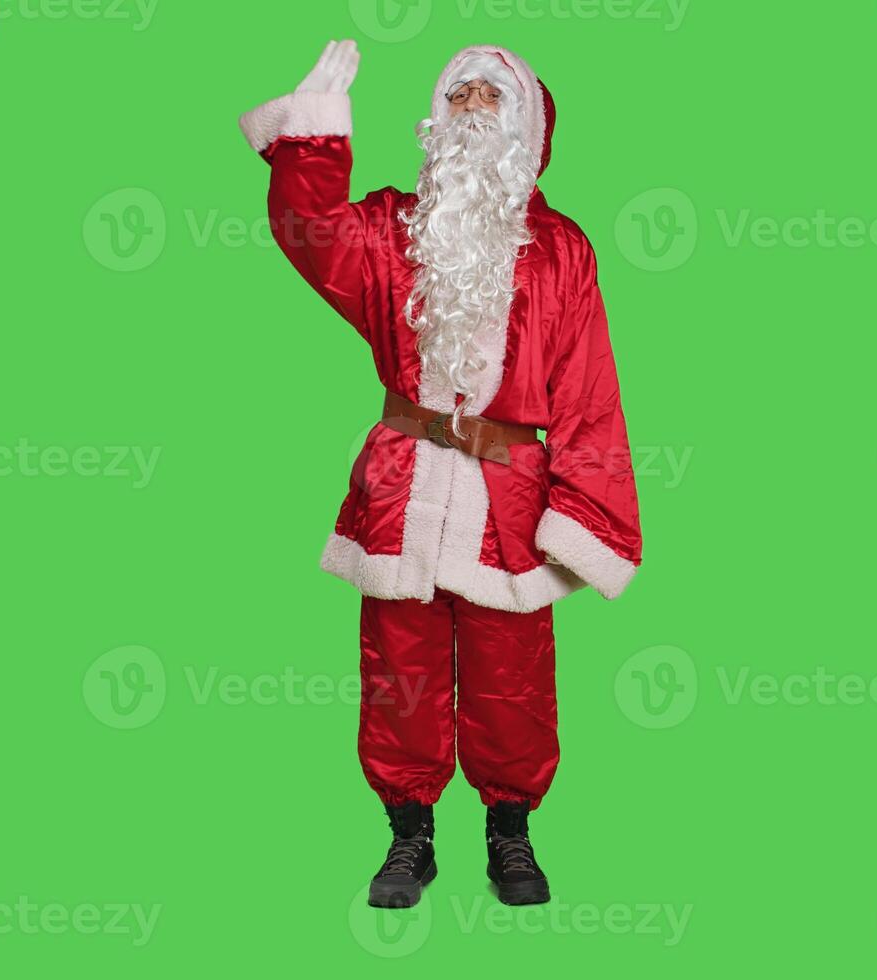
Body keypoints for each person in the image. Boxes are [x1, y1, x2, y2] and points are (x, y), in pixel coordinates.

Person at [239, 41, 644, 908]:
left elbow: (588, 393)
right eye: (456, 91)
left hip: (512, 499)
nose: (468, 105)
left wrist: (584, 513)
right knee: (400, 666)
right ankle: (408, 835)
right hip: (402, 486)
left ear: (526, 123)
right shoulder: (391, 231)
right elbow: (307, 233)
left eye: (490, 94)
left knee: (514, 672)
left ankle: (510, 832)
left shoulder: (563, 249)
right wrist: (312, 140)